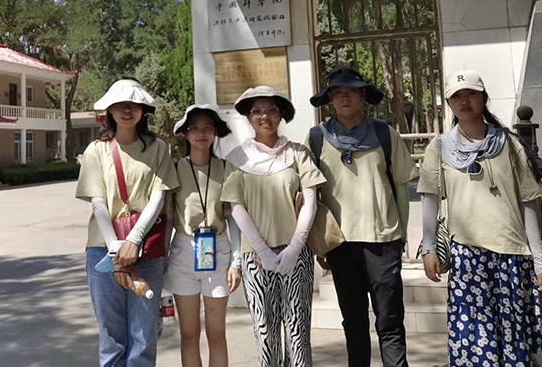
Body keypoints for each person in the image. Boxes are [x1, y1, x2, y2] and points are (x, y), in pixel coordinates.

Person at [419, 69, 542, 366]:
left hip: (511, 256)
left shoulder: (510, 144)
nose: (464, 100)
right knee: (474, 345)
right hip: (467, 257)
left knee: (513, 343)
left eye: (471, 93)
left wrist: (540, 259)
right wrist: (429, 249)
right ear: (448, 104)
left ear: (484, 98)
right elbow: (430, 198)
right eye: (457, 96)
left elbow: (528, 200)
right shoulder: (439, 148)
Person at [308, 66, 416, 367]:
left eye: (352, 91)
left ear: (363, 96)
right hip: (341, 244)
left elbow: (401, 186)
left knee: (390, 321)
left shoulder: (385, 133)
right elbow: (308, 194)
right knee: (354, 322)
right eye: (338, 92)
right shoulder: (316, 138)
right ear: (330, 98)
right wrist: (319, 242)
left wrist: (401, 236)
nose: (345, 97)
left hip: (383, 241)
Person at [75, 78, 179, 367]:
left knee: (143, 336)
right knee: (112, 338)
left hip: (147, 249)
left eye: (133, 105)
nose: (127, 110)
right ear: (109, 110)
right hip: (103, 252)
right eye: (119, 105)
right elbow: (98, 202)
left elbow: (158, 196)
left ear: (143, 110)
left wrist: (133, 240)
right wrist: (116, 249)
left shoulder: (158, 148)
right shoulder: (96, 150)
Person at [221, 86, 326, 367]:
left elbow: (310, 201)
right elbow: (236, 207)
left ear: (281, 115)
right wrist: (262, 251)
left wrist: (295, 246)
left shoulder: (298, 153)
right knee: (265, 332)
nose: (264, 116)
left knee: (298, 331)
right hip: (255, 259)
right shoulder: (237, 159)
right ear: (248, 116)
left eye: (271, 110)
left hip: (297, 256)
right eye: (256, 111)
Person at [163, 104, 242, 367]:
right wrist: (161, 258)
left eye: (208, 128)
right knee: (189, 334)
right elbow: (169, 218)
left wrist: (236, 261)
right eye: (195, 128)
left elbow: (233, 217)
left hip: (218, 250)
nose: (201, 133)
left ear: (215, 132)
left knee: (216, 333)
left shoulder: (226, 168)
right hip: (183, 251)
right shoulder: (175, 169)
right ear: (185, 133)